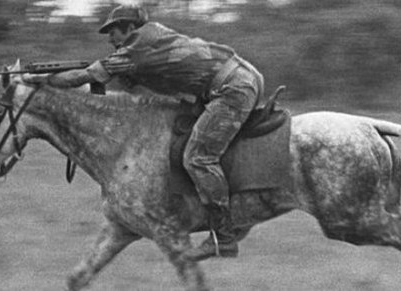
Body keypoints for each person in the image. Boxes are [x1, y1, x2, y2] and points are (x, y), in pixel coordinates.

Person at [23, 5, 264, 261]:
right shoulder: (150, 40)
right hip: (238, 78)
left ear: (130, 28)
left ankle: (223, 237)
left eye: (114, 31)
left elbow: (86, 76)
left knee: (198, 157)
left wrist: (45, 79)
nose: (109, 38)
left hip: (233, 87)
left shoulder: (137, 46)